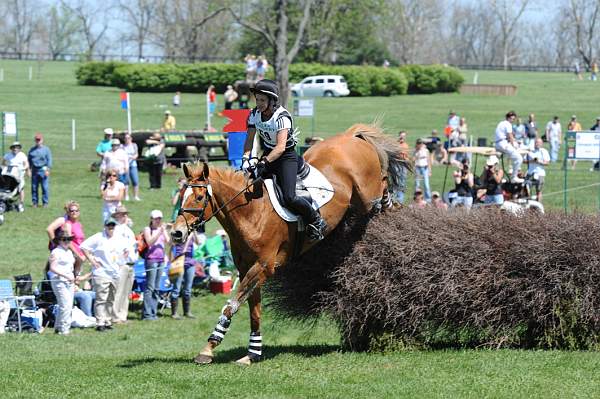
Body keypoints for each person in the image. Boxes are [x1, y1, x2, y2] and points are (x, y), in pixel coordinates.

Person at [241, 79, 327, 241]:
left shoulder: (282, 117)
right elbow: (250, 139)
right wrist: (247, 157)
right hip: (267, 154)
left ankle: (316, 219)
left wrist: (263, 163)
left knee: (290, 197)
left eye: (262, 100)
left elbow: (280, 147)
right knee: (249, 186)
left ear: (272, 101)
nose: (258, 103)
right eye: (257, 99)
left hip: (286, 158)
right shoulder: (253, 114)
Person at [81, 217, 133, 332]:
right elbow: (84, 246)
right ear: (105, 226)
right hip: (101, 272)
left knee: (111, 298)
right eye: (109, 225)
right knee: (101, 298)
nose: (111, 227)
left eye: (113, 225)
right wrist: (91, 260)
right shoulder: (99, 237)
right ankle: (100, 322)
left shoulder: (118, 238)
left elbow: (127, 249)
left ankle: (108, 321)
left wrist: (124, 256)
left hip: (115, 272)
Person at [48, 230, 81, 335]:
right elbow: (52, 268)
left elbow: (72, 266)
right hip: (59, 281)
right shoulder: (56, 252)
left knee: (68, 305)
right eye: (64, 239)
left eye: (69, 239)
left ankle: (58, 327)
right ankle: (64, 329)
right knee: (65, 305)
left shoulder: (69, 252)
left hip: (69, 281)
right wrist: (65, 275)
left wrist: (75, 276)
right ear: (59, 240)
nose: (67, 241)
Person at [111, 206, 137, 324]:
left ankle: (123, 315)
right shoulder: (115, 229)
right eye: (122, 214)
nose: (125, 216)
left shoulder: (128, 230)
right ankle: (115, 316)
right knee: (119, 291)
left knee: (126, 292)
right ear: (117, 216)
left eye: (125, 214)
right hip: (122, 263)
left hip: (131, 263)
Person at [142, 210, 170, 320]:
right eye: (156, 219)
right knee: (150, 287)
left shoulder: (162, 230)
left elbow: (169, 242)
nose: (158, 221)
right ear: (152, 219)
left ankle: (153, 312)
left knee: (157, 287)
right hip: (151, 260)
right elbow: (149, 242)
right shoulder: (147, 229)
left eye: (160, 218)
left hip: (161, 260)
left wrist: (168, 232)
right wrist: (160, 231)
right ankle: (147, 313)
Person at [170, 232, 201, 319]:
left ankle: (187, 312)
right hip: (179, 263)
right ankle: (174, 313)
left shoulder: (191, 233)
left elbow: (198, 242)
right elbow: (183, 249)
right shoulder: (177, 233)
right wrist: (189, 237)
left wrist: (194, 233)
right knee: (176, 288)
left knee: (188, 289)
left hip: (190, 263)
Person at [494, 111, 523, 183]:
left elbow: (507, 137)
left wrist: (514, 141)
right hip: (503, 144)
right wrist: (514, 145)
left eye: (513, 119)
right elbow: (510, 136)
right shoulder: (508, 124)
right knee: (519, 158)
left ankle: (502, 176)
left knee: (504, 159)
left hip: (498, 144)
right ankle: (514, 177)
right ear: (508, 118)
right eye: (512, 119)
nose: (512, 120)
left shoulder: (501, 123)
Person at [2, 141, 30, 210]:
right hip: (10, 174)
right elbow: (3, 162)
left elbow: (26, 164)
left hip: (19, 174)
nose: (15, 149)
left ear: (19, 148)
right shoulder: (8, 155)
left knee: (21, 188)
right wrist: (5, 168)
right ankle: (6, 201)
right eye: (14, 148)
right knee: (7, 188)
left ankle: (21, 203)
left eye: (17, 147)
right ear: (12, 148)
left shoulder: (22, 155)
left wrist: (25, 169)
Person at [27, 132, 52, 208]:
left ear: (42, 140)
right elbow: (29, 160)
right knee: (34, 187)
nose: (38, 141)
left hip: (43, 170)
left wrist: (48, 169)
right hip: (34, 170)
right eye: (37, 140)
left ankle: (45, 203)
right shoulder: (32, 150)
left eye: (39, 140)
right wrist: (28, 170)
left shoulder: (46, 150)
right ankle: (35, 202)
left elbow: (49, 160)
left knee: (45, 187)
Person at [392, 131, 409, 204]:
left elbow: (407, 156)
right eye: (401, 136)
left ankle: (400, 200)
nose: (402, 137)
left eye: (403, 136)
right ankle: (394, 198)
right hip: (397, 163)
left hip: (403, 164)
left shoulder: (406, 145)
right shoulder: (395, 145)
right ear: (398, 136)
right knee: (396, 180)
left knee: (402, 181)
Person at [123, 133, 140, 201]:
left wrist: (133, 157)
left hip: (133, 165)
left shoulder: (134, 145)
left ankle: (136, 196)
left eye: (128, 138)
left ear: (131, 139)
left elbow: (136, 154)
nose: (127, 139)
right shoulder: (122, 146)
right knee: (126, 181)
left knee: (135, 181)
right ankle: (126, 196)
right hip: (125, 165)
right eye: (126, 138)